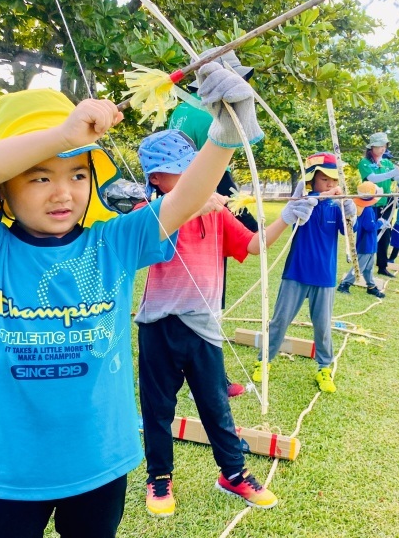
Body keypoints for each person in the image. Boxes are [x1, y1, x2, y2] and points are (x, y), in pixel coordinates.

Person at [0, 60, 261, 538]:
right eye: (38, 177)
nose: (63, 192)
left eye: (77, 173)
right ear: (3, 185)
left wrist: (225, 133)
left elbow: (184, 198)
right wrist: (63, 134)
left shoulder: (112, 242)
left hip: (102, 462)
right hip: (12, 472)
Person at [134, 129, 316, 518]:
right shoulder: (145, 213)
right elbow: (155, 225)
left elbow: (252, 245)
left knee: (216, 406)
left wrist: (286, 217)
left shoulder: (217, 214)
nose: (189, 178)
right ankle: (159, 477)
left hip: (202, 328)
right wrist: (198, 203)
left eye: (192, 169)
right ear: (155, 179)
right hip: (157, 325)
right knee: (157, 407)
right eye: (178, 172)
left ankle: (233, 474)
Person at [169, 49, 257, 397]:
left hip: (183, 207)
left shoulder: (183, 108)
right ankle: (207, 381)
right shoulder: (210, 112)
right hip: (201, 206)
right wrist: (249, 217)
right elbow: (222, 172)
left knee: (190, 300)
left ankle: (197, 377)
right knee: (206, 298)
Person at [251, 152, 357, 393]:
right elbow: (302, 210)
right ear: (312, 181)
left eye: (334, 180)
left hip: (325, 276)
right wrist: (319, 196)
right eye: (324, 180)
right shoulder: (303, 201)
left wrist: (349, 212)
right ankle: (263, 361)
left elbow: (348, 232)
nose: (330, 185)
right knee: (279, 321)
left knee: (322, 326)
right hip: (296, 273)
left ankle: (324, 367)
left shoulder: (336, 205)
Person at [357, 132, 399, 278]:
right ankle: (362, 266)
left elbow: (397, 177)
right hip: (370, 204)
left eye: (384, 145)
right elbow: (372, 179)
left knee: (385, 235)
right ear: (372, 147)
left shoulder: (387, 163)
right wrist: (392, 173)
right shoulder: (364, 163)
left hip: (386, 204)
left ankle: (382, 266)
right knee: (369, 234)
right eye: (379, 146)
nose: (382, 148)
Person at [337, 181, 384, 298]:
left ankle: (371, 287)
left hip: (370, 244)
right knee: (359, 267)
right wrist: (380, 223)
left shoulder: (367, 208)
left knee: (368, 268)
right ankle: (345, 284)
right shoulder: (367, 210)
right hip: (365, 244)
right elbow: (369, 227)